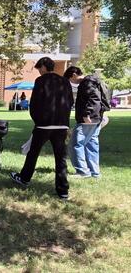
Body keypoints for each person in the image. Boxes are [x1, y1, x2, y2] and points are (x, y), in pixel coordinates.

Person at [10, 57, 74, 200]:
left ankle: (25, 178)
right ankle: (63, 190)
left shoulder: (41, 81)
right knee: (61, 158)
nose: (39, 71)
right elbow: (70, 101)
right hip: (61, 125)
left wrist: (38, 120)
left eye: (39, 68)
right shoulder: (65, 81)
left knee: (33, 153)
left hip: (44, 124)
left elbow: (35, 104)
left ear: (44, 66)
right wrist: (64, 119)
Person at [64, 66, 103, 178]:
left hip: (87, 119)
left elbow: (93, 99)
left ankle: (82, 171)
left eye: (70, 79)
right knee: (92, 145)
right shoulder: (94, 81)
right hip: (96, 118)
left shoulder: (86, 82)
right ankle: (94, 172)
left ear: (74, 75)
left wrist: (86, 114)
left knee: (75, 144)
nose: (71, 82)